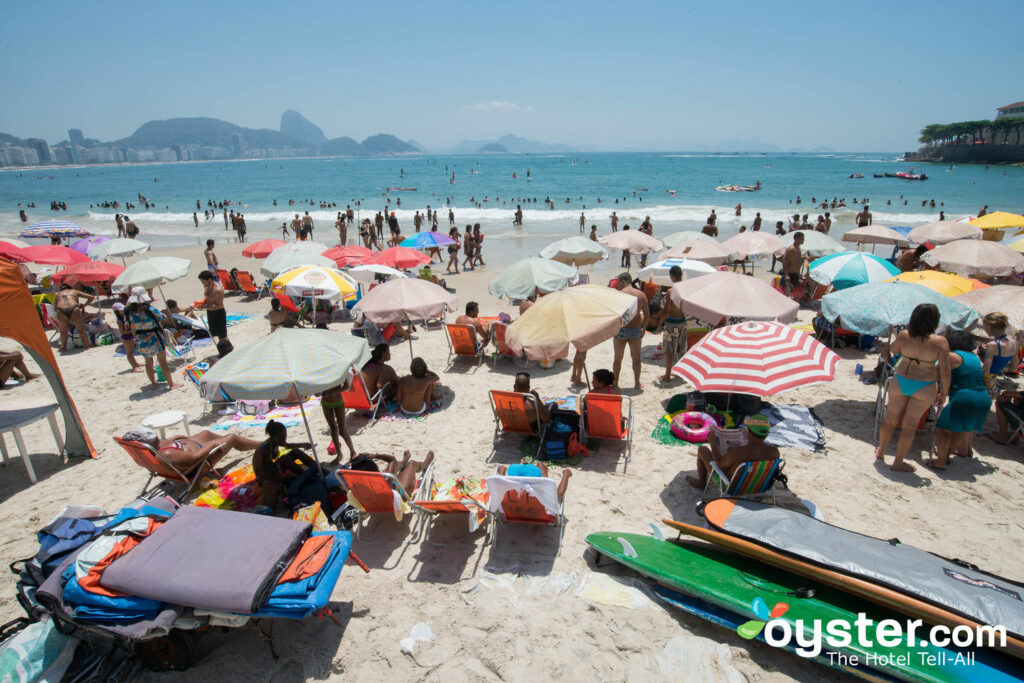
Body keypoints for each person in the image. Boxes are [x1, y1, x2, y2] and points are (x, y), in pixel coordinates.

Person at [875, 303, 951, 472]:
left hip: (901, 380)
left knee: (890, 420)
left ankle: (881, 452)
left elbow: (888, 352)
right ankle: (898, 462)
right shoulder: (940, 342)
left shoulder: (904, 335)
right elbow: (945, 372)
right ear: (935, 320)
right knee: (910, 426)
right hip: (925, 385)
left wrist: (885, 352)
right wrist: (944, 392)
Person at [927, 331, 991, 470]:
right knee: (960, 430)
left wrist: (942, 393)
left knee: (942, 428)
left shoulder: (951, 356)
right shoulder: (974, 358)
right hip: (983, 397)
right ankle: (946, 457)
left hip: (964, 396)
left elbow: (935, 374)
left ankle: (941, 462)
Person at [685, 414, 780, 489]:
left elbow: (720, 464)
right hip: (759, 485)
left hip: (732, 486)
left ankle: (701, 483)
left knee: (702, 450)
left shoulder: (738, 452)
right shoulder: (774, 452)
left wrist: (712, 441)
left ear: (749, 432)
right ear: (766, 434)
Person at [122, 426, 260, 473]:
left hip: (190, 447)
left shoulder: (149, 450)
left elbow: (167, 443)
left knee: (206, 433)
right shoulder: (168, 454)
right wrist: (212, 445)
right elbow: (194, 459)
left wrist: (176, 438)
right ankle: (259, 444)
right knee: (231, 437)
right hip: (200, 464)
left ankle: (239, 443)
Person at [252, 421, 321, 512]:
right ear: (274, 437)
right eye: (282, 437)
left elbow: (287, 446)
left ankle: (321, 470)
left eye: (285, 436)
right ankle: (307, 477)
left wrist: (304, 444)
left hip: (271, 468)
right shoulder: (264, 449)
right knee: (285, 459)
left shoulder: (275, 442)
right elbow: (260, 469)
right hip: (265, 475)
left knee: (295, 452)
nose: (284, 439)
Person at [124, 287, 178, 390]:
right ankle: (171, 384)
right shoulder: (149, 309)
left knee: (148, 362)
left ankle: (153, 384)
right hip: (154, 336)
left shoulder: (128, 312)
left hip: (140, 338)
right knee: (162, 361)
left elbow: (128, 324)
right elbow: (162, 317)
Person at [611, 273, 649, 390]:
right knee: (636, 359)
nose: (617, 284)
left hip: (621, 330)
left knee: (617, 359)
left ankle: (615, 383)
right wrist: (644, 329)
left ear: (623, 281)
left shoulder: (619, 294)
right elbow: (647, 315)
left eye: (618, 282)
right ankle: (637, 383)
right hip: (636, 330)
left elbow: (614, 314)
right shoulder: (641, 295)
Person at [659, 265, 686, 382]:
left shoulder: (671, 291)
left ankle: (667, 375)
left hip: (671, 323)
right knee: (681, 348)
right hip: (683, 322)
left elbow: (666, 311)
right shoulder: (687, 289)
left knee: (670, 349)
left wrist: (658, 324)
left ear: (672, 276)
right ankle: (680, 373)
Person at [497, 462, 571, 500]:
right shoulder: (543, 492)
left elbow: (500, 484)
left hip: (513, 510)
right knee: (540, 466)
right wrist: (566, 475)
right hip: (538, 513)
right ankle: (540, 467)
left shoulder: (509, 488)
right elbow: (559, 495)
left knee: (540, 465)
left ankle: (540, 466)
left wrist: (501, 474)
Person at [321, 381, 356, 463]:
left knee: (342, 430)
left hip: (338, 402)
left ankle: (352, 451)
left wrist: (335, 392)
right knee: (333, 429)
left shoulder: (338, 371)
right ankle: (339, 454)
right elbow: (316, 392)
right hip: (325, 402)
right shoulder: (321, 373)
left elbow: (347, 385)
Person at [980, 312, 1017, 388]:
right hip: (994, 384)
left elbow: (985, 371)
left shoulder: (992, 345)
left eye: (985, 326)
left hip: (983, 384)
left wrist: (976, 356)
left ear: (990, 326)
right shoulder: (1014, 342)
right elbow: (1014, 368)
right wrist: (999, 367)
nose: (984, 329)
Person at [54, 283, 95, 352]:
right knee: (81, 329)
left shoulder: (58, 294)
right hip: (74, 308)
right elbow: (91, 297)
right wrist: (84, 305)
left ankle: (63, 348)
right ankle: (87, 346)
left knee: (63, 332)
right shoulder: (74, 291)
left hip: (61, 310)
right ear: (70, 288)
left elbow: (55, 308)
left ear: (61, 289)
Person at [196, 271, 228, 343]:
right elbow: (207, 298)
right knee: (215, 333)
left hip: (218, 313)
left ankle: (227, 348)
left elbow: (219, 305)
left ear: (209, 280)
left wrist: (204, 307)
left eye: (203, 281)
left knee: (222, 335)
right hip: (210, 312)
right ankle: (225, 347)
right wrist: (201, 303)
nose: (202, 283)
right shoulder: (206, 286)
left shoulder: (218, 290)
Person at [782, 232, 805, 297]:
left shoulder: (798, 248)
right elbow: (785, 261)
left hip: (795, 274)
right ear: (796, 239)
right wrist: (786, 275)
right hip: (790, 274)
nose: (803, 240)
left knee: (797, 294)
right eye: (802, 238)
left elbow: (796, 259)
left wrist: (804, 258)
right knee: (795, 294)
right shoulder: (791, 249)